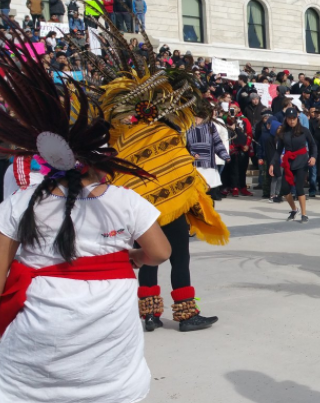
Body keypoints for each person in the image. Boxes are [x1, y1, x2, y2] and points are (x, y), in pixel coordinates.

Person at [0, 32, 177, 403]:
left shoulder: (23, 201)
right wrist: (126, 257)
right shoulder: (124, 200)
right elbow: (160, 254)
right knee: (115, 391)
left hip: (42, 315)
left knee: (1, 397)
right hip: (108, 317)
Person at [93, 22, 229, 334]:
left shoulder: (122, 135)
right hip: (170, 207)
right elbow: (180, 163)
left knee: (148, 257)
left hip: (141, 207)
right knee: (179, 257)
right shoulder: (164, 129)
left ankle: (150, 315)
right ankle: (185, 314)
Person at [273, 107, 317, 222]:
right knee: (285, 189)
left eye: (294, 118)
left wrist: (313, 156)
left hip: (302, 161)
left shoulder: (304, 130)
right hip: (288, 163)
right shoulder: (283, 133)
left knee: (299, 188)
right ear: (286, 119)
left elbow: (313, 144)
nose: (292, 121)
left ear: (297, 118)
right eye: (289, 119)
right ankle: (294, 209)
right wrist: (273, 164)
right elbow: (278, 150)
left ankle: (304, 214)